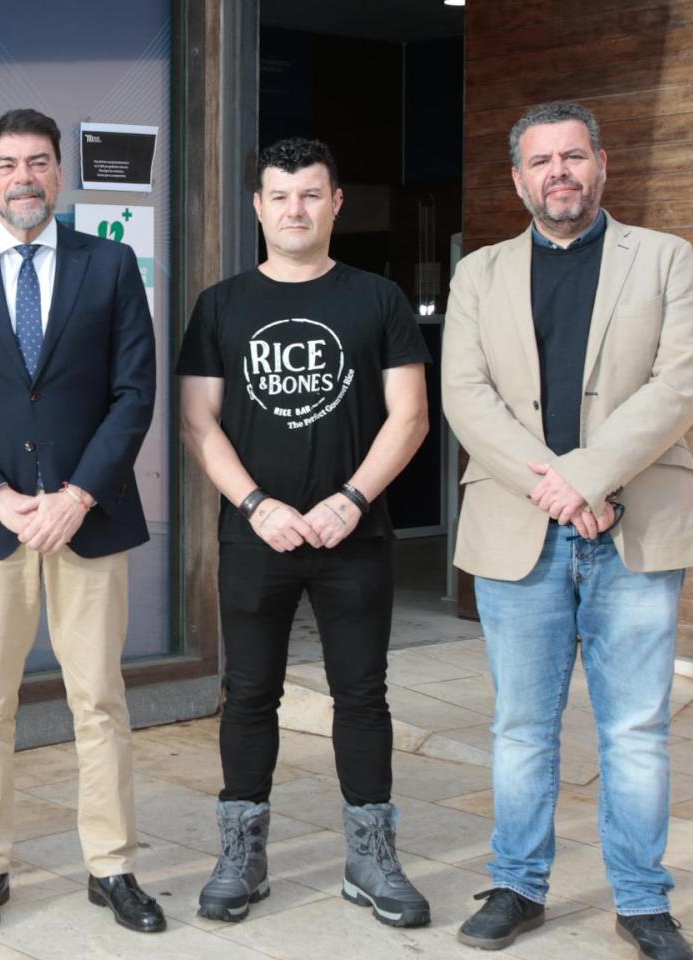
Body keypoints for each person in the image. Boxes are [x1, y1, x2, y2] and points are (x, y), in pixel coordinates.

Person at [442, 100, 693, 960]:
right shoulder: (479, 274)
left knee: (635, 728)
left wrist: (591, 478)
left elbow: (680, 385)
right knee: (521, 725)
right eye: (540, 161)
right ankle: (518, 884)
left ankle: (642, 902)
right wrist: (559, 490)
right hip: (518, 526)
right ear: (517, 179)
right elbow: (466, 396)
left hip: (633, 525)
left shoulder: (664, 258)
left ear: (601, 163)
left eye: (572, 156)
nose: (557, 172)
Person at [0, 108, 162, 936]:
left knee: (101, 702)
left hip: (87, 516)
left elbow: (134, 392)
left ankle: (112, 866)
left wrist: (78, 493)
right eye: (7, 163)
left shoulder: (112, 263)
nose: (24, 176)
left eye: (39, 162)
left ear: (61, 176)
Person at [177, 137, 433, 928]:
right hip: (258, 536)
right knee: (250, 694)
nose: (295, 209)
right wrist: (257, 505)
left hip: (353, 535)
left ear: (335, 203)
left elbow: (412, 415)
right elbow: (197, 421)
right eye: (281, 196)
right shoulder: (221, 305)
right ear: (258, 207)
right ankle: (240, 854)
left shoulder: (378, 299)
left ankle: (371, 857)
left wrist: (352, 499)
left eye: (311, 194)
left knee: (362, 695)